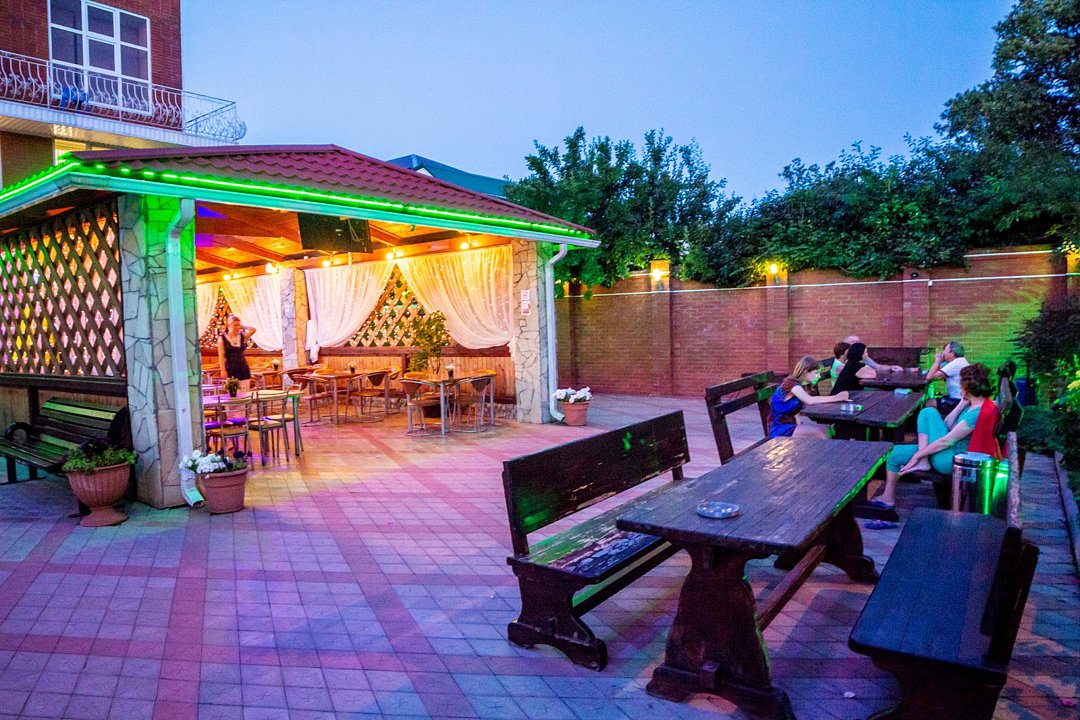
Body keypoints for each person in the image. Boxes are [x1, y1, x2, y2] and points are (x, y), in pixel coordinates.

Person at [871, 363, 999, 510]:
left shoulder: (977, 414)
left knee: (928, 412)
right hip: (948, 452)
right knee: (895, 453)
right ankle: (888, 498)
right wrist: (961, 405)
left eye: (961, 382)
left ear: (969, 386)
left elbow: (946, 441)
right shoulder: (973, 405)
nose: (959, 385)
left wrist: (918, 454)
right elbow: (947, 424)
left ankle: (923, 460)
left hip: (952, 459)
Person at [769, 356, 850, 438]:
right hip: (779, 428)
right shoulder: (792, 385)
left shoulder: (802, 386)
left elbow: (795, 413)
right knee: (819, 432)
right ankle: (830, 446)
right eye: (816, 373)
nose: (819, 376)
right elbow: (810, 400)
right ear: (806, 372)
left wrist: (799, 425)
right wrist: (836, 397)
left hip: (789, 426)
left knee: (826, 429)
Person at [926, 341, 970, 416]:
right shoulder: (960, 361)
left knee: (929, 402)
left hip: (958, 400)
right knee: (935, 400)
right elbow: (939, 374)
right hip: (961, 398)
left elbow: (929, 377)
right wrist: (940, 363)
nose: (943, 353)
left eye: (945, 350)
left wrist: (937, 362)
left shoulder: (956, 363)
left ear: (952, 353)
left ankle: (939, 421)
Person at [217, 314, 257, 392]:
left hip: (243, 368)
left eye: (238, 325)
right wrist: (223, 370)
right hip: (230, 368)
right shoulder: (222, 338)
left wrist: (243, 326)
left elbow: (253, 330)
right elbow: (221, 356)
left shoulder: (242, 337)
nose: (237, 327)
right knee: (233, 393)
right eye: (235, 325)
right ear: (229, 325)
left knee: (245, 392)